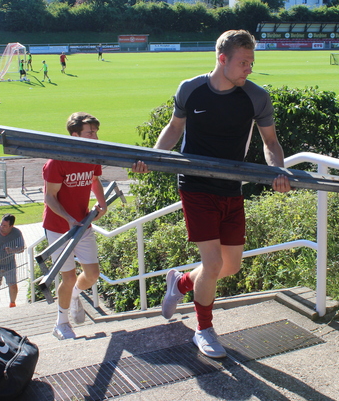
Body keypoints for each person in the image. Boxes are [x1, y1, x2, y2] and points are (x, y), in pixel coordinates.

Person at [132, 29, 291, 359]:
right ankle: (203, 329)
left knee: (230, 265)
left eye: (252, 62)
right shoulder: (190, 89)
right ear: (222, 59)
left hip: (231, 185)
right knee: (213, 262)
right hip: (196, 185)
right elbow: (174, 128)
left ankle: (180, 283)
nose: (249, 68)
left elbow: (271, 142)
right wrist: (152, 156)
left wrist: (279, 170)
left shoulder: (257, 97)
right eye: (243, 62)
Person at [42, 112, 108, 340]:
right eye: (90, 133)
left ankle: (73, 295)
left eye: (95, 132)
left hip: (83, 224)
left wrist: (102, 203)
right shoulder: (57, 161)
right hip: (58, 227)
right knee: (68, 278)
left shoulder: (91, 156)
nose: (95, 137)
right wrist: (68, 218)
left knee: (93, 274)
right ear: (75, 135)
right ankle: (61, 324)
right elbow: (49, 197)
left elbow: (94, 180)